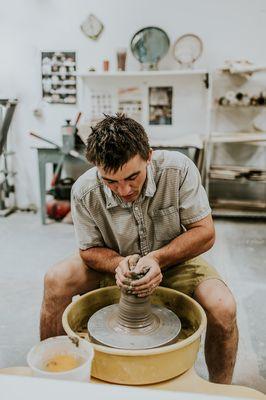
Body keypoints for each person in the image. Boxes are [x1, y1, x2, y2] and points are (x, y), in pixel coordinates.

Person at [40, 114, 238, 384]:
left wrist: (158, 258)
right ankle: (53, 378)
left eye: (132, 177)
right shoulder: (84, 190)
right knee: (55, 280)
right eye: (110, 181)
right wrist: (117, 264)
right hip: (116, 260)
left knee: (223, 306)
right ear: (97, 168)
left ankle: (221, 388)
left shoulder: (177, 170)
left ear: (148, 156)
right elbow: (88, 251)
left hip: (174, 261)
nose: (123, 189)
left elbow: (205, 233)